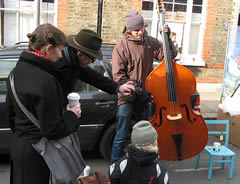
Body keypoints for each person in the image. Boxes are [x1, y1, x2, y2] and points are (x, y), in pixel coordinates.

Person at [6, 23, 82, 184]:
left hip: (19, 146)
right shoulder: (46, 81)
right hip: (38, 154)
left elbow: (11, 116)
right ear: (48, 48)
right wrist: (72, 115)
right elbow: (52, 130)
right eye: (60, 50)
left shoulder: (14, 73)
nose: (61, 56)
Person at [111, 10, 177, 163]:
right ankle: (114, 167)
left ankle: (143, 164)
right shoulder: (121, 47)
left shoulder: (150, 42)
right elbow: (119, 77)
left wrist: (167, 37)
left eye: (142, 28)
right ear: (129, 30)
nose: (140, 32)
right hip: (127, 97)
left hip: (144, 97)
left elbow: (169, 55)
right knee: (121, 135)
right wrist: (140, 92)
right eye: (136, 29)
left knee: (145, 135)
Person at [55, 29, 135, 106]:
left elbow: (93, 77)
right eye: (92, 59)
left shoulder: (75, 62)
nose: (91, 63)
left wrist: (118, 88)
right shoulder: (60, 66)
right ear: (80, 54)